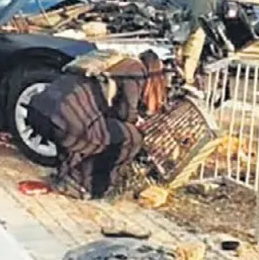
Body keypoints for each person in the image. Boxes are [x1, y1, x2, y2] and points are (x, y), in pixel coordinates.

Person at [24, 49, 170, 199]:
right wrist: (137, 122)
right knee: (133, 137)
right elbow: (126, 113)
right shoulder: (136, 70)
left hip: (38, 113)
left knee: (92, 127)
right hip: (64, 123)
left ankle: (67, 175)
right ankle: (85, 185)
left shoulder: (112, 63)